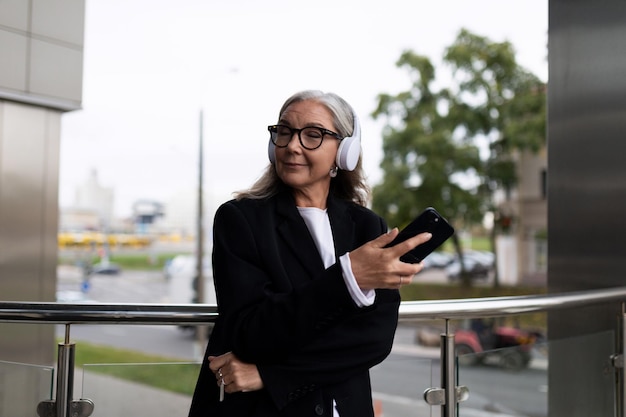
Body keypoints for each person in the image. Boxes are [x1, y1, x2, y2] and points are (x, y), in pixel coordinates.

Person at [188, 90, 432, 417]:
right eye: (284, 131)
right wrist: (349, 278)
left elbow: (375, 339)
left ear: (344, 152)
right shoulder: (240, 219)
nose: (292, 145)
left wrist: (270, 375)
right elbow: (250, 333)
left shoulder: (367, 226)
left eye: (313, 135)